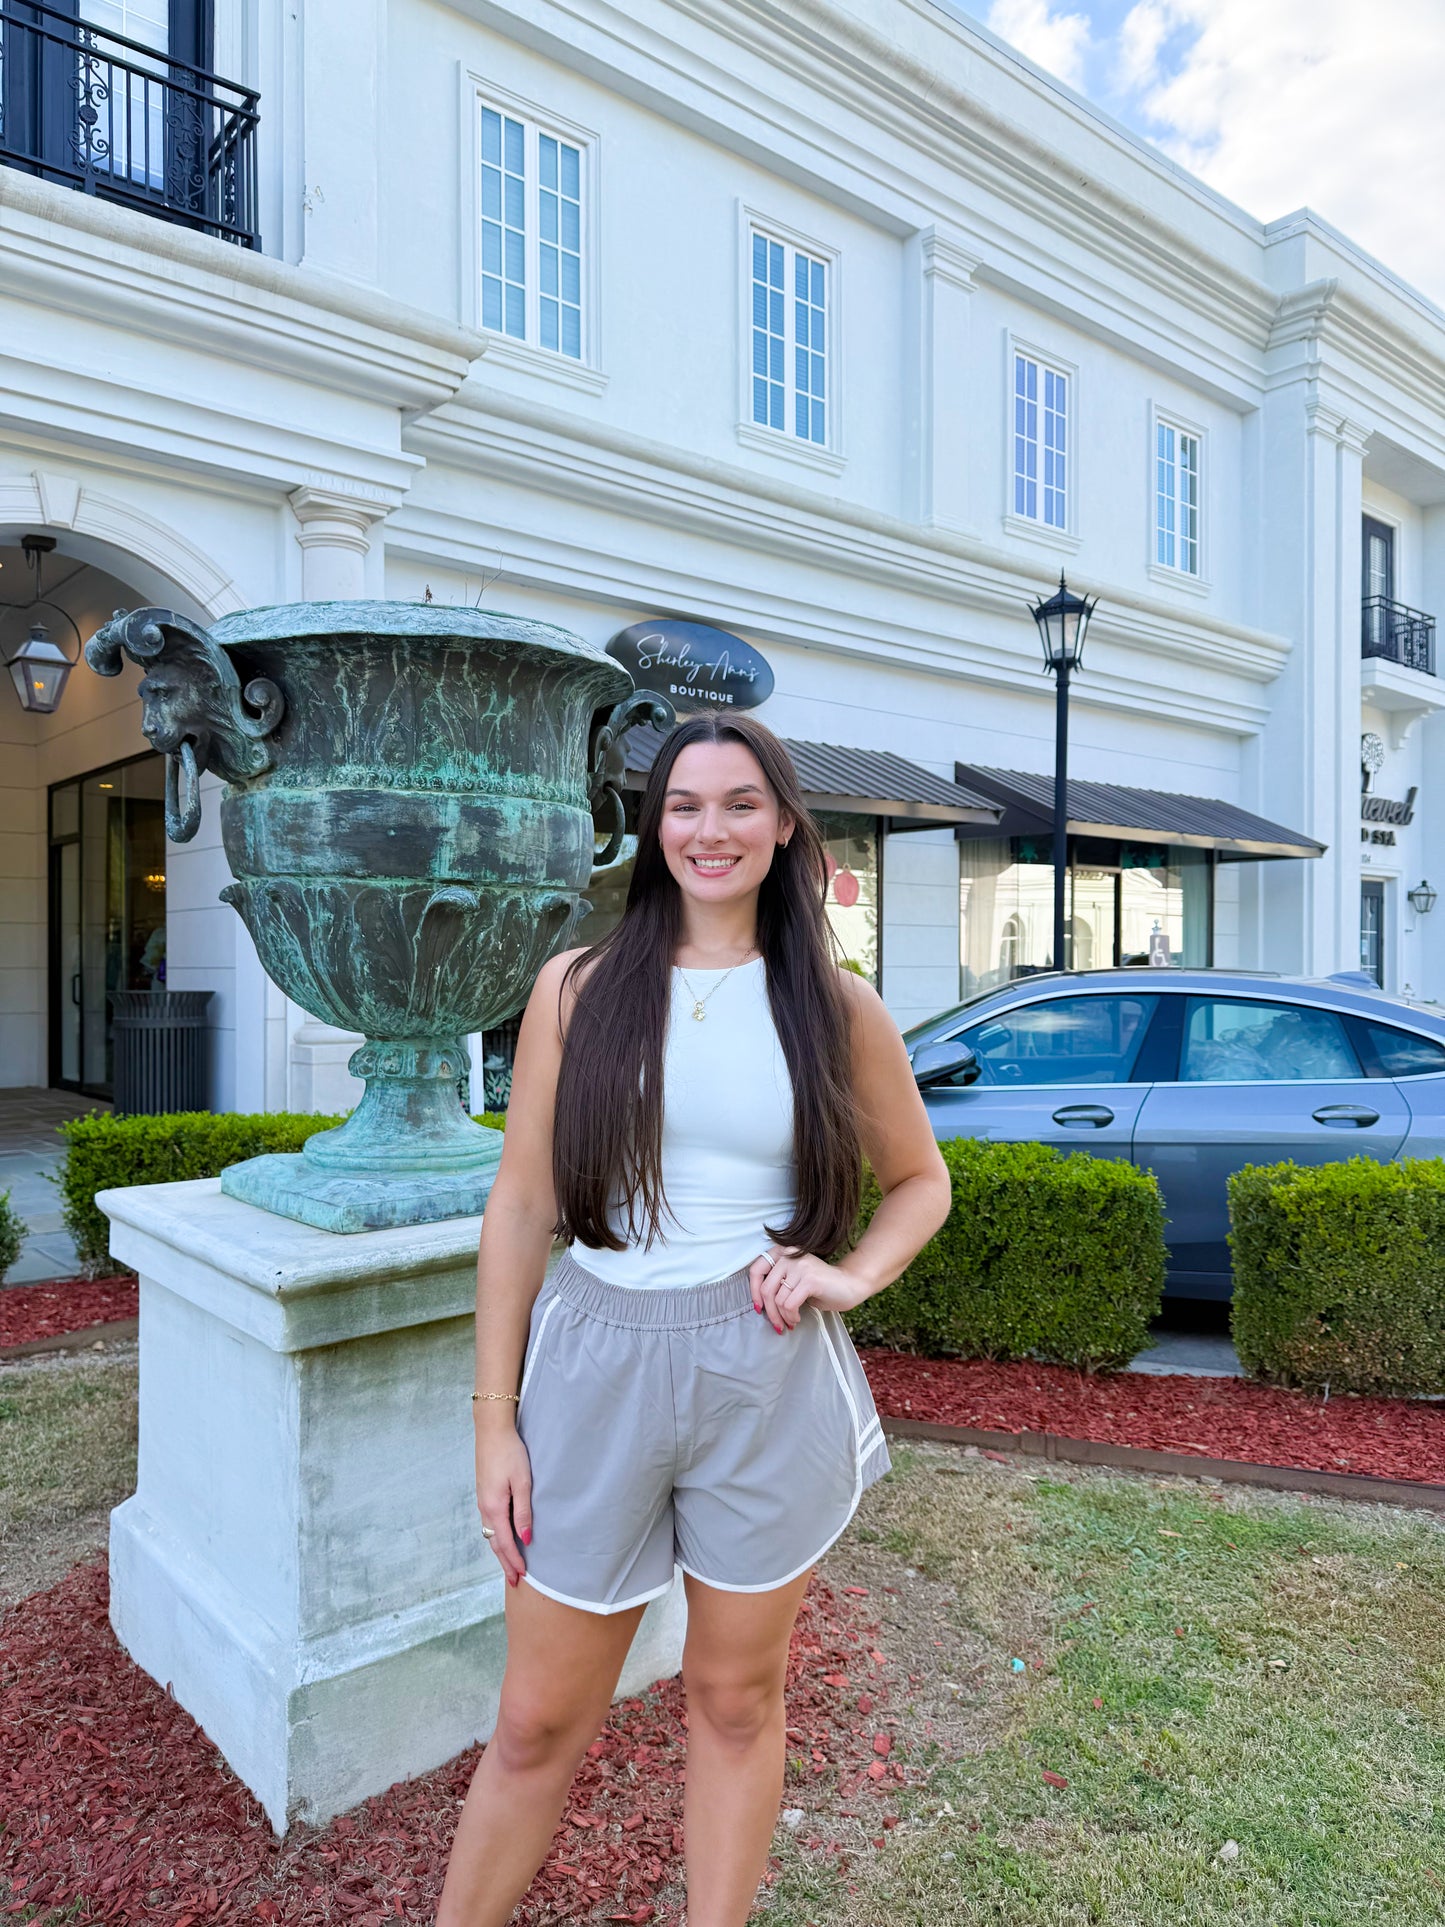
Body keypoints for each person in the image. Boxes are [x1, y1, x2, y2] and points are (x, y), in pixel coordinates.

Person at [437, 713, 951, 1927]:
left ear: (782, 827)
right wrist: (492, 1423)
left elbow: (920, 1180)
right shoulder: (575, 988)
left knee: (733, 1697)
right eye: (682, 804)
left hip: (761, 1370)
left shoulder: (835, 1006)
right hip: (594, 1360)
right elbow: (519, 1207)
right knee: (532, 1719)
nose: (707, 829)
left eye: (735, 804)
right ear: (651, 823)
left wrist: (850, 1274)